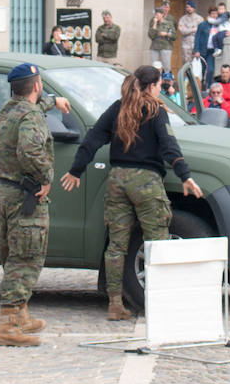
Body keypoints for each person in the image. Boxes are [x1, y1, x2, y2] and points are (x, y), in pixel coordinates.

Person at [62, 65, 203, 319]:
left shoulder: (118, 108)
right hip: (146, 182)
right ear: (151, 87)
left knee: (116, 245)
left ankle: (115, 304)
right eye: (160, 85)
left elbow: (92, 139)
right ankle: (161, 304)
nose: (161, 90)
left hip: (117, 180)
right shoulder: (156, 110)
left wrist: (76, 170)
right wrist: (185, 175)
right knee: (157, 242)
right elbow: (169, 144)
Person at [0, 62, 70, 346]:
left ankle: (21, 314)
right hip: (27, 195)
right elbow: (29, 149)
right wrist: (46, 177)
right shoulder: (31, 117)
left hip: (6, 192)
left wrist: (53, 102)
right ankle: (8, 326)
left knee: (14, 254)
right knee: (25, 258)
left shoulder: (9, 110)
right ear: (36, 86)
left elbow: (31, 108)